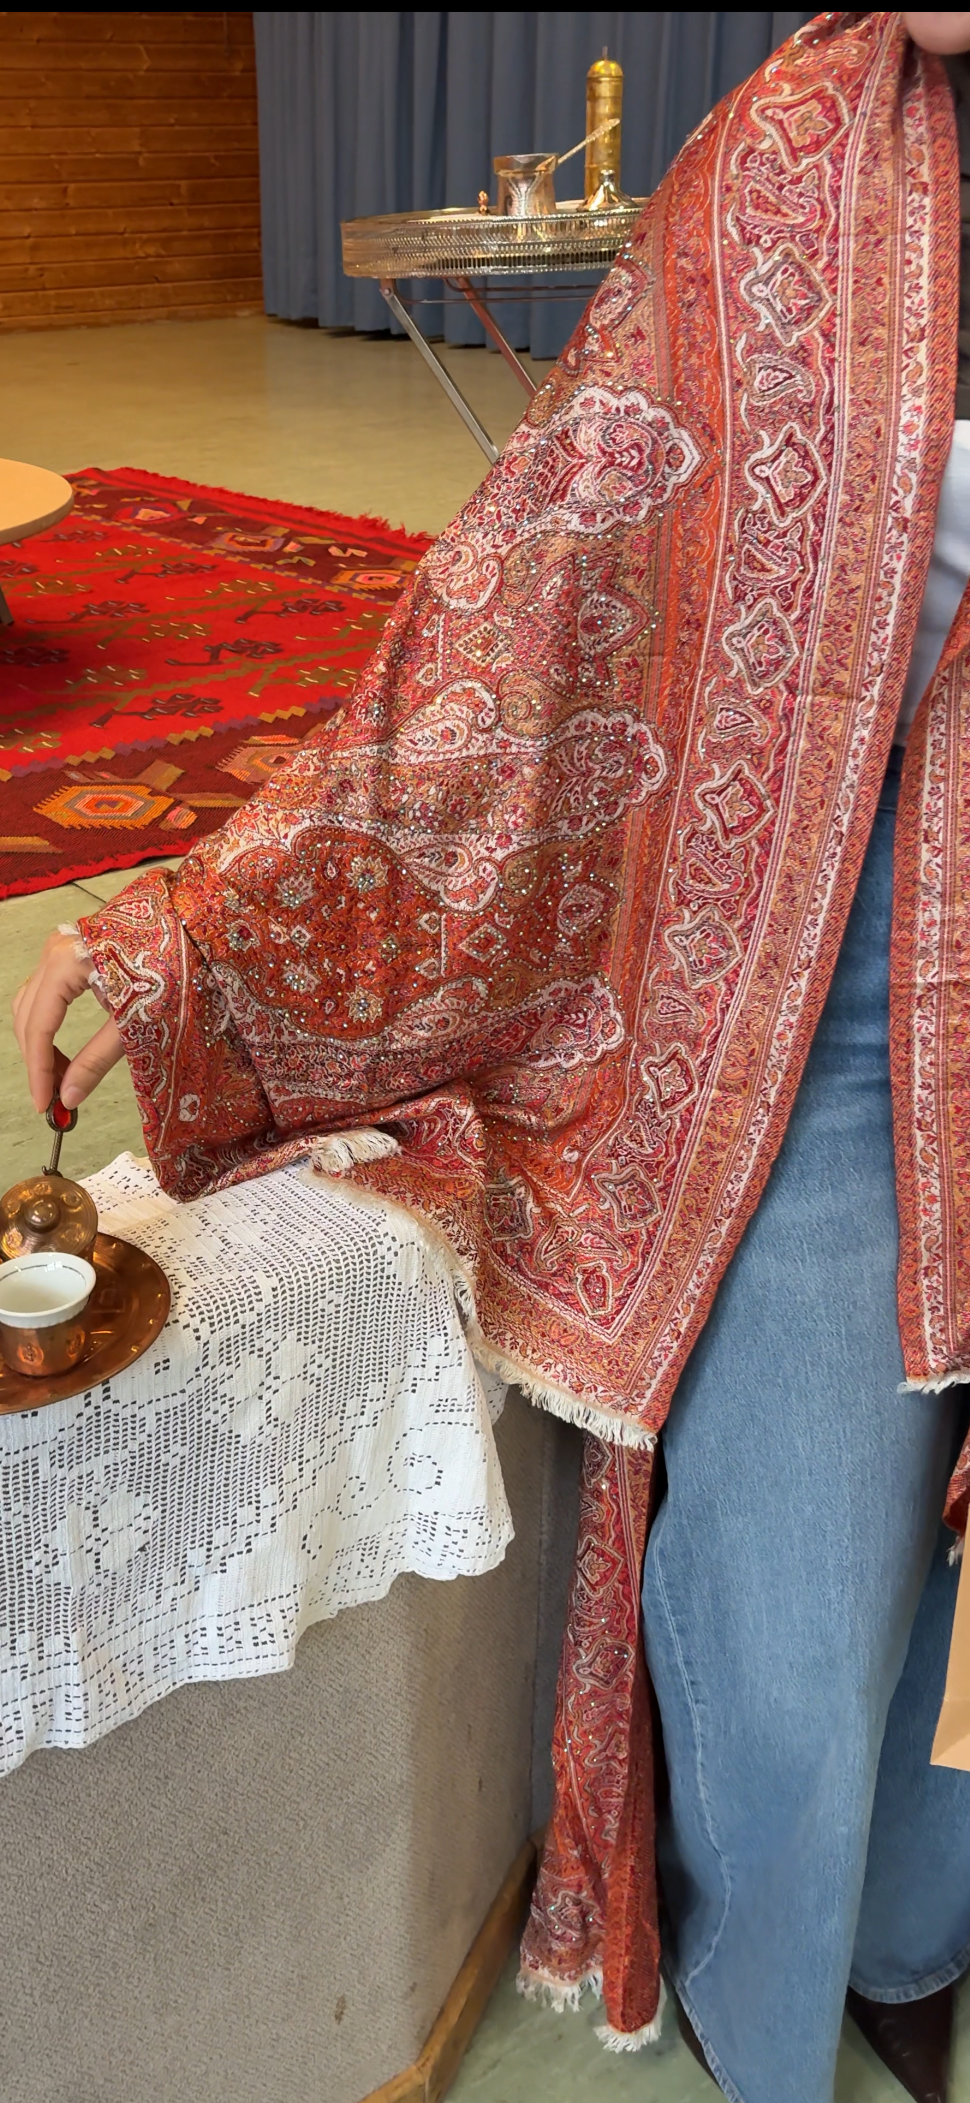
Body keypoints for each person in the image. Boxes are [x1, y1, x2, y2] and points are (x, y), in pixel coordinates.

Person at [12, 13, 970, 2100]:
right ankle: (773, 2010)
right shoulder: (790, 163)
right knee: (794, 1638)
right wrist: (203, 934)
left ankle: (917, 1933)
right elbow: (516, 621)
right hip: (810, 1043)